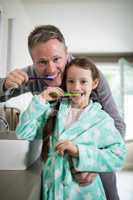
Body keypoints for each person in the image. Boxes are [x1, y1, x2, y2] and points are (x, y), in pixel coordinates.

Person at [0, 25, 125, 199]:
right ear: (33, 62)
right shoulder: (31, 76)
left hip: (95, 166)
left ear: (67, 53)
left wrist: (94, 164)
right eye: (42, 62)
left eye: (57, 59)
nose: (51, 70)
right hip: (57, 176)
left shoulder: (87, 75)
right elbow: (26, 129)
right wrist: (5, 85)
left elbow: (116, 125)